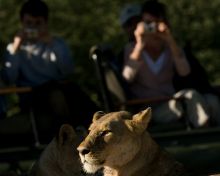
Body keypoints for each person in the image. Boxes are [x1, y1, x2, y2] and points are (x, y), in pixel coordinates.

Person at [1, 0, 99, 133]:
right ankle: (71, 133)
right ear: (21, 23)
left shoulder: (57, 43)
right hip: (32, 95)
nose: (33, 28)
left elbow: (67, 70)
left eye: (38, 23)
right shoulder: (13, 49)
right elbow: (9, 79)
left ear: (46, 23)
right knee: (57, 95)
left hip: (58, 89)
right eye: (28, 23)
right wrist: (15, 49)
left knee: (72, 92)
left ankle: (95, 125)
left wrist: (53, 45)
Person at [122, 0, 220, 128]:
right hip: (148, 111)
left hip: (170, 101)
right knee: (190, 96)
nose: (153, 28)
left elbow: (184, 71)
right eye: (148, 24)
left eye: (157, 23)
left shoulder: (171, 48)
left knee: (212, 100)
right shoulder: (132, 49)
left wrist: (169, 40)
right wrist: (140, 44)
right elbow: (127, 78)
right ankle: (202, 134)